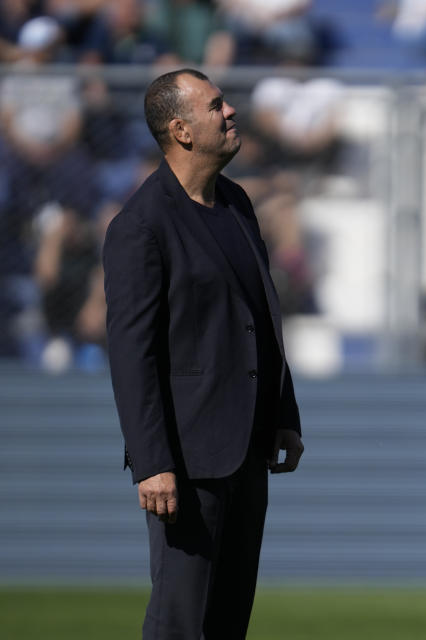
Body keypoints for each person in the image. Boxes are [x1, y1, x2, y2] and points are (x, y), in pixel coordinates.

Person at [102, 68, 304, 639]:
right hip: (186, 461)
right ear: (181, 130)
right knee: (180, 620)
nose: (231, 111)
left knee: (228, 619)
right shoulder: (140, 227)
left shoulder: (236, 203)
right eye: (215, 105)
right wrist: (153, 463)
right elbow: (130, 355)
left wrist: (283, 415)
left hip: (248, 450)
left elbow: (260, 319)